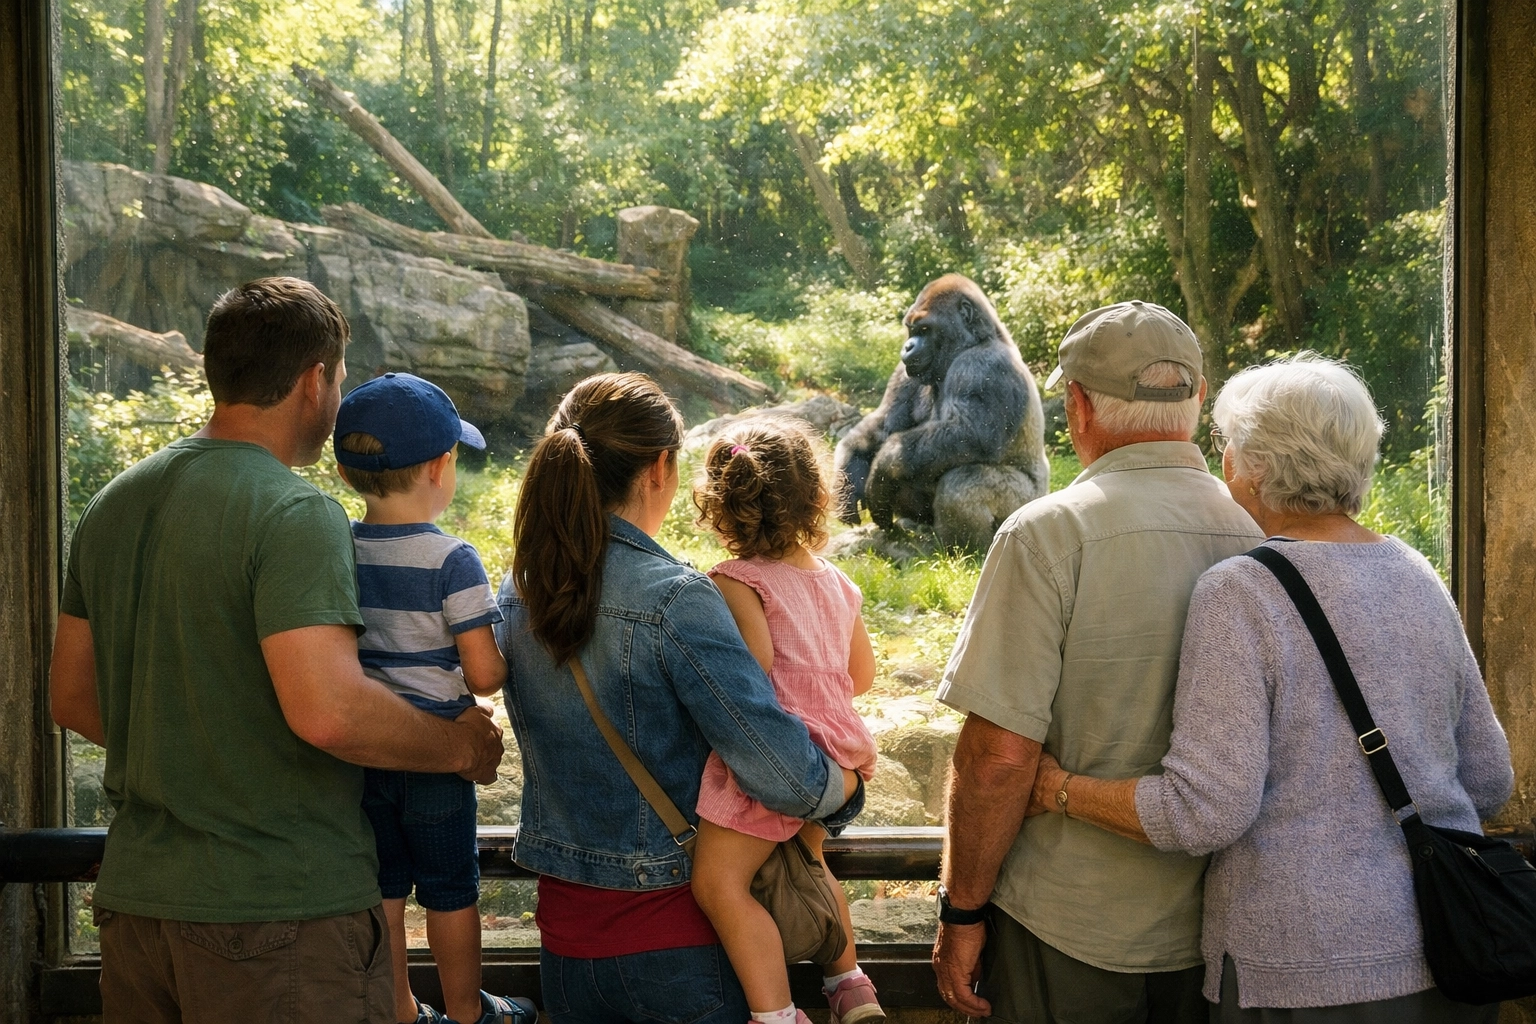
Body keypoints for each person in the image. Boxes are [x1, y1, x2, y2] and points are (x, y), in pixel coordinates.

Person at [48, 277, 505, 1024]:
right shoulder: (294, 512)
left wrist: (200, 757)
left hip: (137, 908)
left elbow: (70, 696)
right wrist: (458, 749)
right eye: (340, 378)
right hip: (278, 911)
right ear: (314, 380)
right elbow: (329, 713)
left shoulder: (115, 501)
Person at [1024, 355, 1514, 1022]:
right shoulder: (1415, 572)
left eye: (1229, 443)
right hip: (1449, 954)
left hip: (1298, 971)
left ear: (1249, 465)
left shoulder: (1241, 591)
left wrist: (1056, 788)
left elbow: (1205, 811)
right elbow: (1487, 779)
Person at [494, 372, 865, 1024]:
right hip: (674, 949)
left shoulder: (522, 586)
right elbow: (777, 769)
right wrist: (847, 790)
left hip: (566, 951)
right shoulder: (678, 598)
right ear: (661, 467)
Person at [931, 300, 1265, 1020]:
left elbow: (997, 758)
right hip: (1221, 932)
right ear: (1198, 398)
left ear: (1077, 406)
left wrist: (961, 915)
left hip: (1065, 927)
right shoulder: (1263, 533)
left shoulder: (1046, 535)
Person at [332, 372, 536, 1024]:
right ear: (441, 468)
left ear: (344, 470)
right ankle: (469, 1014)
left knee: (386, 888)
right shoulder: (454, 560)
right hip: (440, 751)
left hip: (366, 747)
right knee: (450, 890)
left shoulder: (335, 548)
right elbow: (482, 675)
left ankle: (398, 1009)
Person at [688, 422, 884, 1024]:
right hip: (837, 756)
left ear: (721, 505)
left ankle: (775, 1014)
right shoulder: (837, 581)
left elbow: (754, 675)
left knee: (720, 884)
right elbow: (863, 673)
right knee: (811, 864)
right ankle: (850, 987)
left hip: (777, 756)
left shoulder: (735, 580)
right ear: (816, 498)